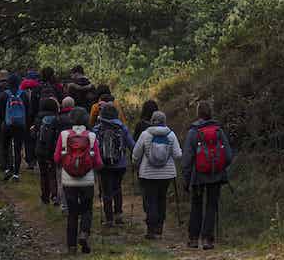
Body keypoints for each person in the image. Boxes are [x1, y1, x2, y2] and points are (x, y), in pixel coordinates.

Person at [181, 101, 233, 250]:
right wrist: (220, 168)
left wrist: (186, 178)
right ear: (210, 113)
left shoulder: (193, 132)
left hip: (198, 176)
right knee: (211, 205)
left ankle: (193, 239)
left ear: (198, 113)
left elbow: (187, 159)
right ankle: (207, 239)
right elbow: (228, 155)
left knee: (196, 205)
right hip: (216, 175)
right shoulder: (219, 131)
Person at [54, 107, 104, 255]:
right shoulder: (92, 136)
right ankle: (84, 233)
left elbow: (56, 158)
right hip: (87, 181)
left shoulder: (64, 135)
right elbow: (98, 162)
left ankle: (71, 246)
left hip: (68, 181)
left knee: (72, 213)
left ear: (71, 119)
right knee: (87, 210)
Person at [132, 111, 182, 240]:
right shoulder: (171, 135)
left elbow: (136, 154)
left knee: (150, 200)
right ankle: (159, 226)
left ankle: (151, 229)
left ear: (152, 121)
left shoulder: (145, 134)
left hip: (148, 174)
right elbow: (178, 155)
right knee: (161, 198)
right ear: (164, 121)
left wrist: (135, 163)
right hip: (166, 174)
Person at [92, 103, 135, 227]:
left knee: (106, 192)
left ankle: (109, 219)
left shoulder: (97, 129)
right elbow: (132, 145)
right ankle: (118, 216)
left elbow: (92, 147)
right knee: (117, 189)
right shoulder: (122, 128)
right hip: (120, 164)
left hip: (103, 165)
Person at [0, 73, 29, 181]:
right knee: (18, 148)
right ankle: (16, 173)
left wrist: (3, 121)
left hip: (7, 124)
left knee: (5, 146)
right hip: (20, 125)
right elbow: (28, 110)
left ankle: (7, 169)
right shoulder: (23, 95)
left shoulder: (3, 95)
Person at [32, 97, 60, 206]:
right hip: (53, 149)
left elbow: (34, 134)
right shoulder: (57, 119)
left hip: (40, 149)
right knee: (53, 172)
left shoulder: (38, 118)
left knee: (43, 174)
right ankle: (55, 194)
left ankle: (45, 197)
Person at [56, 96, 77, 212]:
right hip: (77, 153)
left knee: (61, 180)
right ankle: (75, 203)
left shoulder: (58, 119)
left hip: (63, 153)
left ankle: (64, 205)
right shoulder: (78, 119)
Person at [20, 70, 42, 169]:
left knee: (27, 139)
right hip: (37, 117)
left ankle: (30, 161)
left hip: (25, 117)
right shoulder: (39, 88)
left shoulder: (21, 89)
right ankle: (37, 159)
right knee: (37, 137)